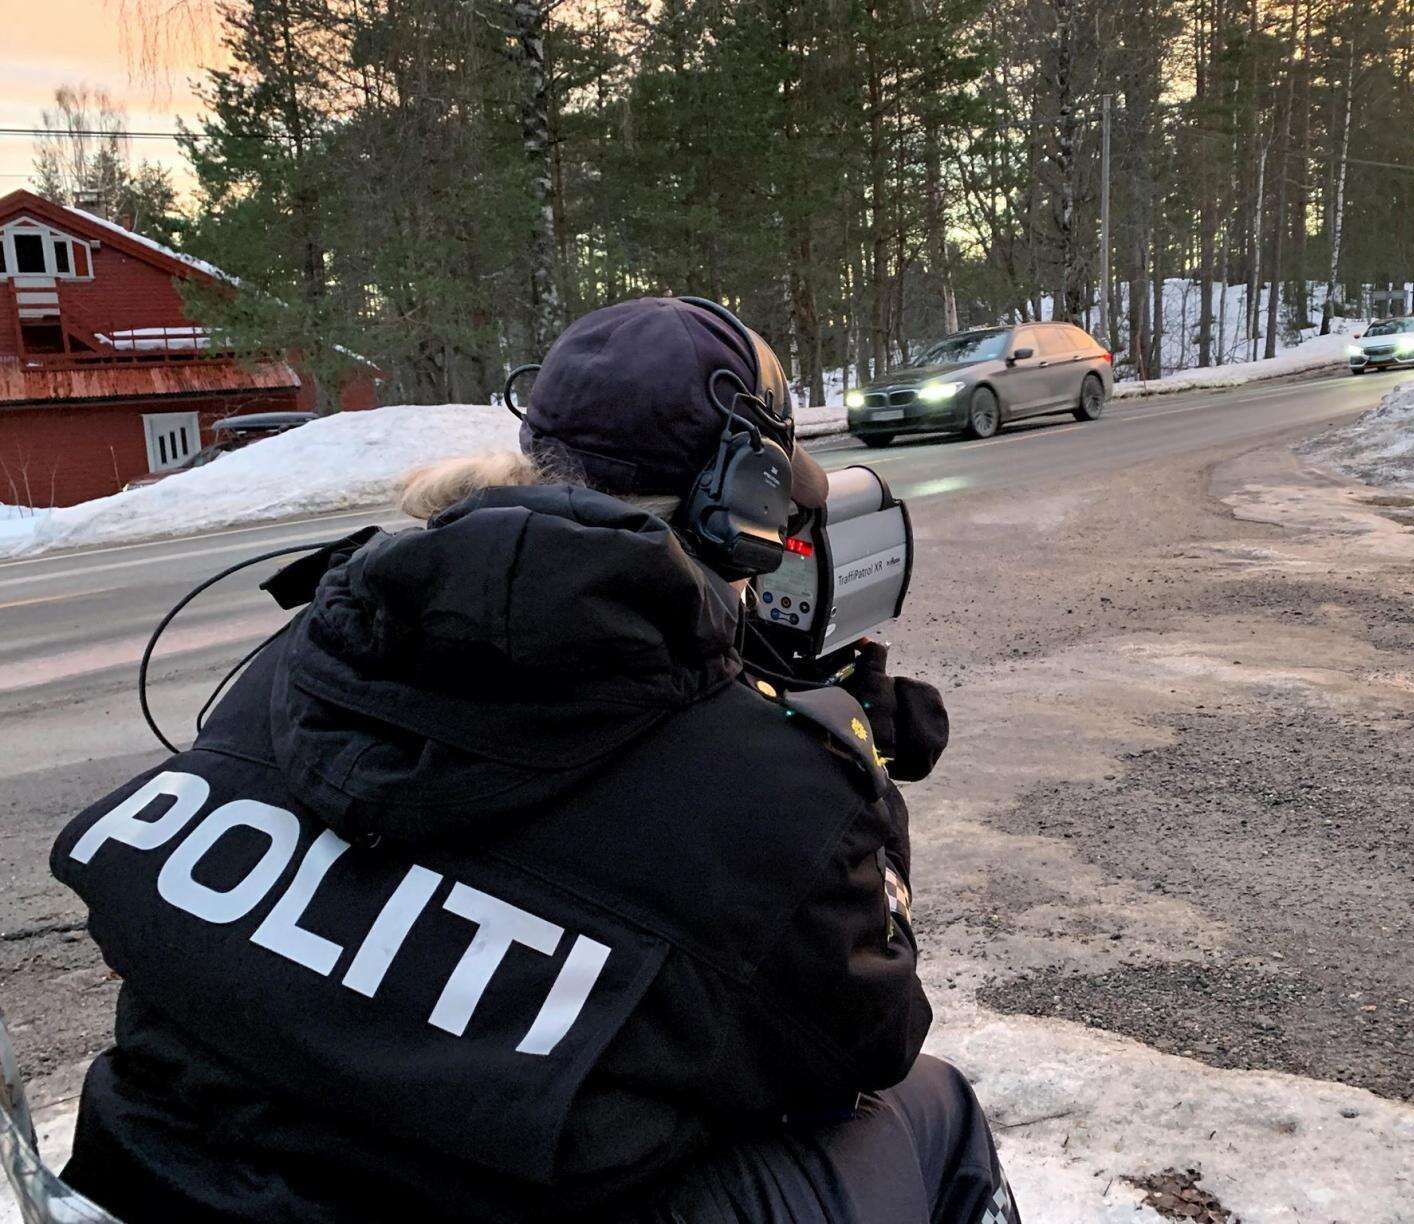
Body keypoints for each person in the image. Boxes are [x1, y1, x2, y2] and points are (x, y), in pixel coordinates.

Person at [49, 296, 1018, 1223]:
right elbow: (866, 1038)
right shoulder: (772, 788)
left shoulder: (317, 646)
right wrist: (844, 767)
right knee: (931, 1107)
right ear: (745, 502)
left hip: (149, 1170)